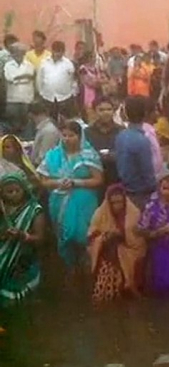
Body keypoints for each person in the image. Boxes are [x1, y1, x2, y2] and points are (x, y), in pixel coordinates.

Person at [37, 121, 103, 271]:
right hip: (58, 202)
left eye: (71, 135)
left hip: (84, 202)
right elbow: (42, 180)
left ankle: (88, 268)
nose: (67, 139)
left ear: (80, 136)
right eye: (64, 135)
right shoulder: (53, 155)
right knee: (65, 237)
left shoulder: (88, 155)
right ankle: (69, 270)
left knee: (83, 236)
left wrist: (76, 182)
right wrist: (58, 183)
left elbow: (98, 180)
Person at [87, 184, 146, 302]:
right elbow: (91, 237)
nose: (117, 206)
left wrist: (121, 236)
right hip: (107, 256)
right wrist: (106, 237)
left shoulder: (134, 213)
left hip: (129, 252)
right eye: (113, 203)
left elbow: (138, 241)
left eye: (120, 202)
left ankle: (130, 285)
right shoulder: (100, 214)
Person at [0, 173, 46, 301]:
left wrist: (22, 235)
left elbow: (40, 239)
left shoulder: (35, 210)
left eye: (17, 190)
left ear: (24, 190)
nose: (14, 194)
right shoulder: (2, 209)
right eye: (9, 191)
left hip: (23, 259)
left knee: (17, 300)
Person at [115, 96, 157, 210]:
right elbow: (147, 172)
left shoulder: (121, 136)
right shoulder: (141, 140)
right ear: (145, 114)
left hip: (126, 189)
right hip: (141, 193)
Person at [86, 96, 124, 189]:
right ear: (95, 111)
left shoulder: (122, 131)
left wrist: (110, 156)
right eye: (101, 110)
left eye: (109, 109)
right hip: (94, 180)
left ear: (113, 111)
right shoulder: (87, 132)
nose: (106, 113)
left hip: (117, 179)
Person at [37, 41, 77, 122]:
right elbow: (39, 79)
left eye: (61, 51)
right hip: (47, 97)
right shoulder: (44, 62)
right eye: (57, 51)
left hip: (65, 97)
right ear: (52, 51)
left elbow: (73, 79)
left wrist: (73, 93)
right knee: (50, 120)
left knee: (66, 120)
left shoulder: (68, 63)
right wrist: (41, 92)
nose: (58, 54)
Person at [3, 42, 34, 139]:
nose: (18, 54)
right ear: (12, 54)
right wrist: (23, 77)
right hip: (13, 100)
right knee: (13, 125)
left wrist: (17, 78)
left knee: (27, 124)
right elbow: (9, 78)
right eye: (15, 52)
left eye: (20, 52)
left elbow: (30, 76)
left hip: (27, 99)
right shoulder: (8, 65)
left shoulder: (29, 65)